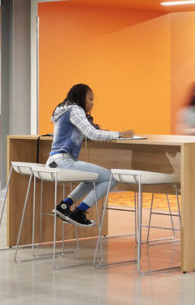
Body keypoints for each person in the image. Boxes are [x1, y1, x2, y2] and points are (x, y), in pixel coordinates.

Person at [49, 83, 134, 227]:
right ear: (81, 97)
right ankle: (78, 213)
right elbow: (92, 133)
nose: (92, 103)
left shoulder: (63, 109)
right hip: (64, 162)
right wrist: (119, 134)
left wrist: (106, 134)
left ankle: (64, 206)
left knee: (92, 179)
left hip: (54, 161)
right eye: (90, 99)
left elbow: (86, 132)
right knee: (111, 177)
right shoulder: (75, 109)